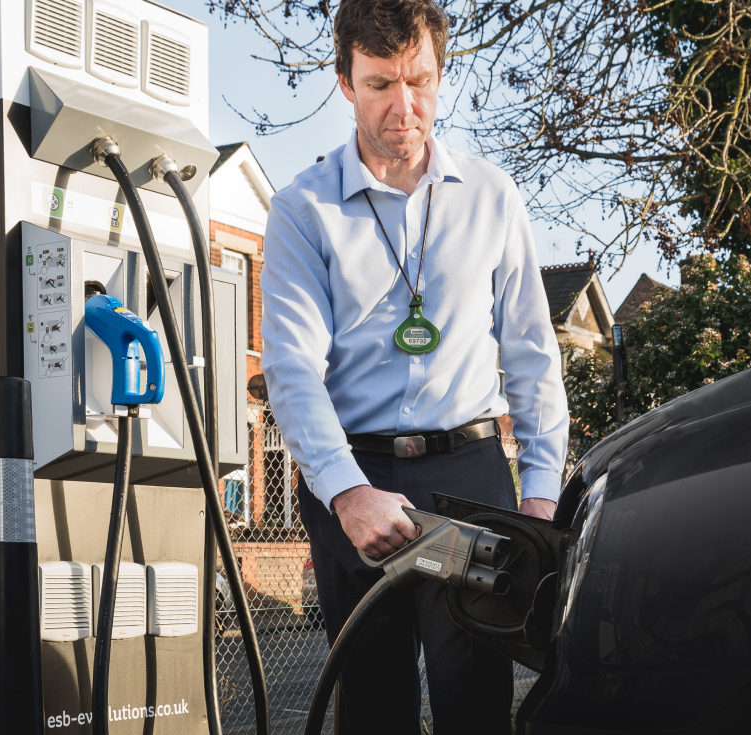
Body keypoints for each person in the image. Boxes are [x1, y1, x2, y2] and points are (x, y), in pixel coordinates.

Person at [261, 0, 569, 730]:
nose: (404, 107)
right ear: (344, 82)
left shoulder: (493, 198)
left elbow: (531, 354)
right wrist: (345, 492)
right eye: (379, 85)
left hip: (472, 480)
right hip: (356, 482)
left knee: (478, 709)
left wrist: (541, 499)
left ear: (439, 74)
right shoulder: (303, 210)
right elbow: (293, 370)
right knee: (372, 709)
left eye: (420, 81)